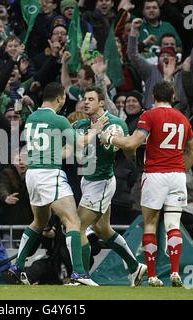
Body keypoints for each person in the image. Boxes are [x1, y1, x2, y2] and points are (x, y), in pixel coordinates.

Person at [6, 82, 106, 286]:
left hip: (32, 175)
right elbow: (79, 144)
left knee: (39, 222)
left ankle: (18, 266)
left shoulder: (32, 118)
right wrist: (95, 130)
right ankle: (79, 273)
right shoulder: (59, 120)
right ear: (60, 98)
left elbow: (64, 149)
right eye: (63, 100)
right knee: (73, 222)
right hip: (50, 174)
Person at [101, 80, 193, 287]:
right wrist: (182, 168)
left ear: (153, 97)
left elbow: (132, 143)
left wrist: (109, 139)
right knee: (173, 225)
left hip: (155, 175)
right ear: (172, 96)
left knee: (151, 225)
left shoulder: (149, 115)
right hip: (177, 176)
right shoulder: (182, 118)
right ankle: (174, 272)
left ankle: (152, 276)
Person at [73, 87, 147, 286]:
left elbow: (125, 149)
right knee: (103, 229)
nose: (86, 102)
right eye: (84, 99)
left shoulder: (115, 123)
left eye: (91, 99)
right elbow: (74, 146)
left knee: (77, 227)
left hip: (102, 182)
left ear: (102, 103)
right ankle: (135, 266)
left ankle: (82, 276)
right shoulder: (81, 123)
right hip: (87, 181)